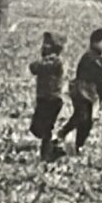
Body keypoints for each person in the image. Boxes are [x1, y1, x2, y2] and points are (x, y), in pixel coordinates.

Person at [57, 28, 102, 151]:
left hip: (87, 93)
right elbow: (100, 79)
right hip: (83, 91)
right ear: (96, 43)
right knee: (82, 117)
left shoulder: (93, 58)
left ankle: (72, 140)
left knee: (83, 119)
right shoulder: (92, 59)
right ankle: (68, 137)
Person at [29, 32, 66, 162]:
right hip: (43, 99)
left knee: (45, 128)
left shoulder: (55, 61)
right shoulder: (48, 60)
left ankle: (47, 155)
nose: (44, 47)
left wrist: (39, 62)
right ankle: (54, 149)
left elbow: (35, 67)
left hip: (52, 100)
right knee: (37, 128)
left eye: (48, 44)